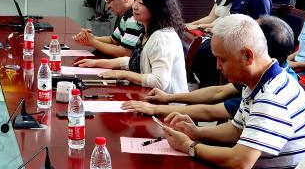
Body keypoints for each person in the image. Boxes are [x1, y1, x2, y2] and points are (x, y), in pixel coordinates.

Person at [160, 14, 305, 169]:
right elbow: (236, 129)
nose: (218, 66)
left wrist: (189, 146)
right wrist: (196, 132)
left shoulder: (272, 96)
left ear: (248, 56)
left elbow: (240, 162)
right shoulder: (259, 81)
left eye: (222, 59)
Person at [125, 15, 294, 120]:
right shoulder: (262, 72)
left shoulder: (271, 91)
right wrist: (169, 97)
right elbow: (218, 92)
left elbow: (211, 112)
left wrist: (156, 109)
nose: (218, 66)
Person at [77, 0, 187, 94]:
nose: (134, 6)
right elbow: (135, 62)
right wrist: (97, 63)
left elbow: (159, 81)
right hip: (150, 97)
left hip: (169, 103)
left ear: (157, 7)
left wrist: (124, 74)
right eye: (135, 0)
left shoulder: (161, 38)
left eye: (141, 3)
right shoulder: (148, 30)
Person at [72, 0, 143, 56]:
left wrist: (93, 42)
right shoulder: (127, 15)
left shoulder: (135, 18)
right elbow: (113, 40)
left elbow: (125, 52)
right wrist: (90, 38)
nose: (107, 6)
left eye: (109, 0)